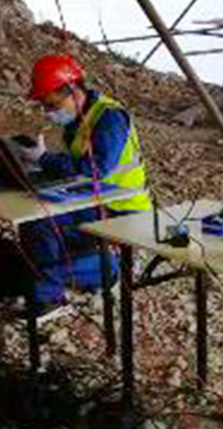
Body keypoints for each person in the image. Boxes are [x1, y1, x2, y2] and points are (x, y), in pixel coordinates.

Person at [14, 54, 151, 314]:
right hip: (92, 200)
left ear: (74, 90)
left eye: (52, 104)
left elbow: (95, 169)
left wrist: (45, 159)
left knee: (42, 221)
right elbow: (77, 167)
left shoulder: (109, 118)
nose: (49, 112)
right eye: (45, 106)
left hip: (122, 209)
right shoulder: (79, 118)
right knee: (32, 219)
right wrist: (37, 168)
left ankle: (51, 295)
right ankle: (60, 276)